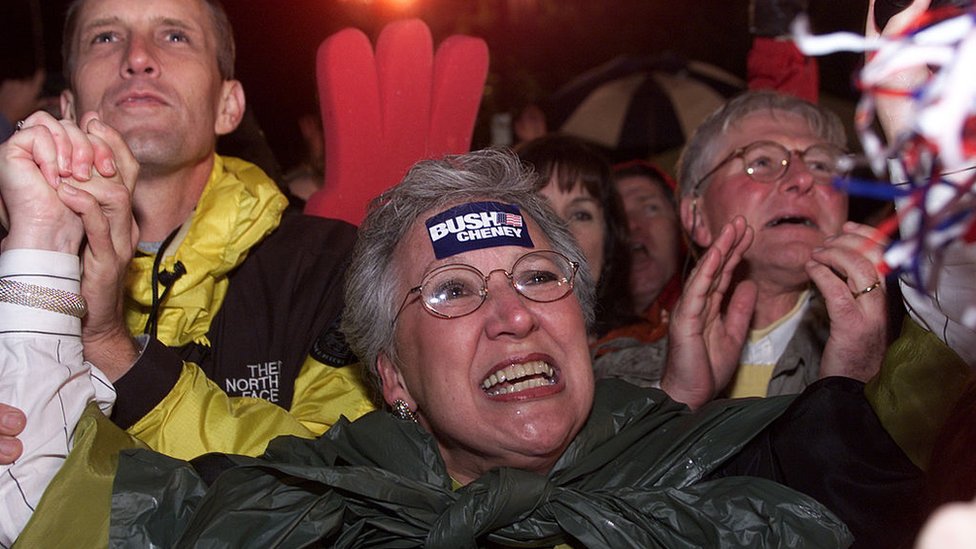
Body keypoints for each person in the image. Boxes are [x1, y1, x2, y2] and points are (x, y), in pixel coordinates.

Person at [10, 148, 924, 547]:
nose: (514, 315)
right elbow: (60, 497)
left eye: (537, 277)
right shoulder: (294, 507)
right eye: (451, 290)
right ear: (394, 378)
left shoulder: (740, 468)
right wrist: (42, 253)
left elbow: (911, 444)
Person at [0, 0, 373, 464]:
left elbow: (336, 486)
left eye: (175, 36)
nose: (137, 56)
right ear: (69, 105)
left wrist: (112, 349)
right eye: (105, 37)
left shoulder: (331, 266)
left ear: (228, 106)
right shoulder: (13, 267)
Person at [675, 89, 889, 399]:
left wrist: (860, 385)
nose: (803, 179)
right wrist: (678, 401)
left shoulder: (926, 350)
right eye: (762, 161)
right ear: (696, 216)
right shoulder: (618, 377)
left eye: (820, 166)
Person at [515, 134, 638, 339]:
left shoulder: (650, 360)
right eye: (539, 211)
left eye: (581, 215)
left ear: (609, 245)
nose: (560, 228)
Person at [590, 160, 685, 387]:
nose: (631, 225)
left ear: (681, 226)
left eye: (650, 208)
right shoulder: (576, 340)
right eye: (617, 216)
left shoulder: (714, 323)